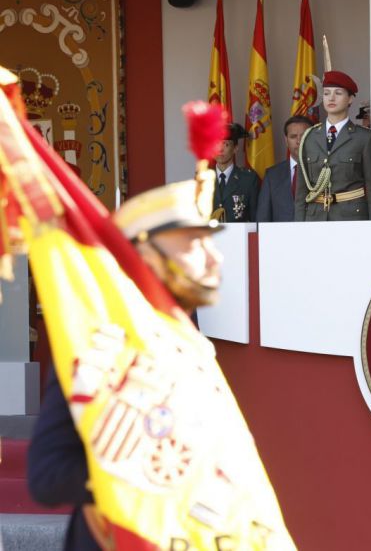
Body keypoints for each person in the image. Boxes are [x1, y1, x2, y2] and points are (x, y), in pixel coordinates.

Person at [28, 176, 224, 550]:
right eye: (194, 243)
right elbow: (48, 477)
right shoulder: (100, 351)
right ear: (146, 255)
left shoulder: (192, 347)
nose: (215, 257)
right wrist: (149, 469)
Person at [295, 70, 371, 221]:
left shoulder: (365, 138)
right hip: (315, 217)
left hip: (351, 217)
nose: (331, 98)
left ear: (350, 99)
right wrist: (299, 225)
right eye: (327, 93)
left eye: (338, 93)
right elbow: (301, 191)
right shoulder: (309, 137)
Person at [257, 115, 312, 222]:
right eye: (293, 136)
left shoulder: (324, 171)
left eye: (304, 135)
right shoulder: (272, 175)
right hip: (280, 237)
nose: (299, 141)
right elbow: (263, 217)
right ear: (286, 140)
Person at [212, 122, 260, 222]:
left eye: (226, 144)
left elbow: (255, 218)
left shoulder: (248, 179)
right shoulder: (203, 178)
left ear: (235, 148)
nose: (220, 149)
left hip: (239, 236)